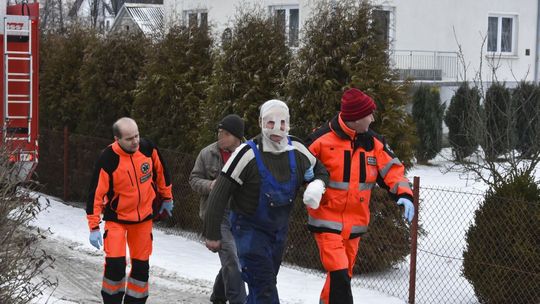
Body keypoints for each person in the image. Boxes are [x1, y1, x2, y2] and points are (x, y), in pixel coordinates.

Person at [203, 99, 329, 303]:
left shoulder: (296, 149)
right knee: (265, 289)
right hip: (248, 231)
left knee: (264, 283)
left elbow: (320, 171)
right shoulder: (246, 153)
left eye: (283, 123)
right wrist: (212, 233)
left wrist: (316, 186)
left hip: (277, 232)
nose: (277, 129)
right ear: (261, 122)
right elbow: (220, 192)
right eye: (271, 123)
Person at [305, 88, 415, 304]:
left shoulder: (374, 143)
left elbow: (393, 171)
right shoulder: (320, 139)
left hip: (355, 226)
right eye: (369, 114)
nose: (373, 118)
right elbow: (298, 163)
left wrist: (404, 194)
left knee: (341, 277)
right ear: (355, 119)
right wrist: (304, 173)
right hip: (326, 221)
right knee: (339, 273)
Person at [86, 117, 173, 304]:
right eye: (129, 138)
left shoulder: (148, 148)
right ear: (117, 139)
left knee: (141, 269)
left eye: (137, 136)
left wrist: (167, 198)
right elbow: (96, 194)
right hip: (117, 220)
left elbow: (162, 173)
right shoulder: (108, 159)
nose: (135, 141)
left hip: (143, 221)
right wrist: (93, 226)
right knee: (115, 266)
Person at [189, 114, 247, 304]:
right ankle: (239, 301)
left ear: (237, 137)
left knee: (236, 259)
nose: (220, 136)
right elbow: (193, 180)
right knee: (231, 258)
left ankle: (218, 296)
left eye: (226, 133)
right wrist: (210, 185)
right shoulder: (207, 154)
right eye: (219, 132)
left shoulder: (250, 154)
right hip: (216, 214)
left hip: (241, 215)